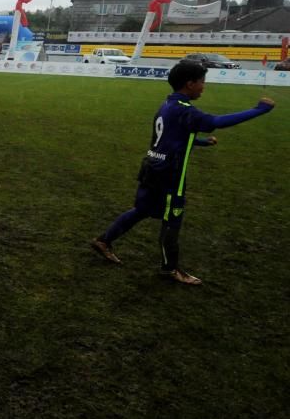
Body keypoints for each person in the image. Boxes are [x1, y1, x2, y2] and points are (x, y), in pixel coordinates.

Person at [90, 59, 276, 284]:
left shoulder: (167, 104)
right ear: (189, 84)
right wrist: (258, 110)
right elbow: (216, 121)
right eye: (201, 82)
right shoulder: (186, 110)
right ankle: (170, 269)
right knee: (172, 220)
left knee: (141, 210)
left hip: (151, 167)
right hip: (170, 175)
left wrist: (202, 142)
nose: (203, 86)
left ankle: (103, 241)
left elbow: (172, 135)